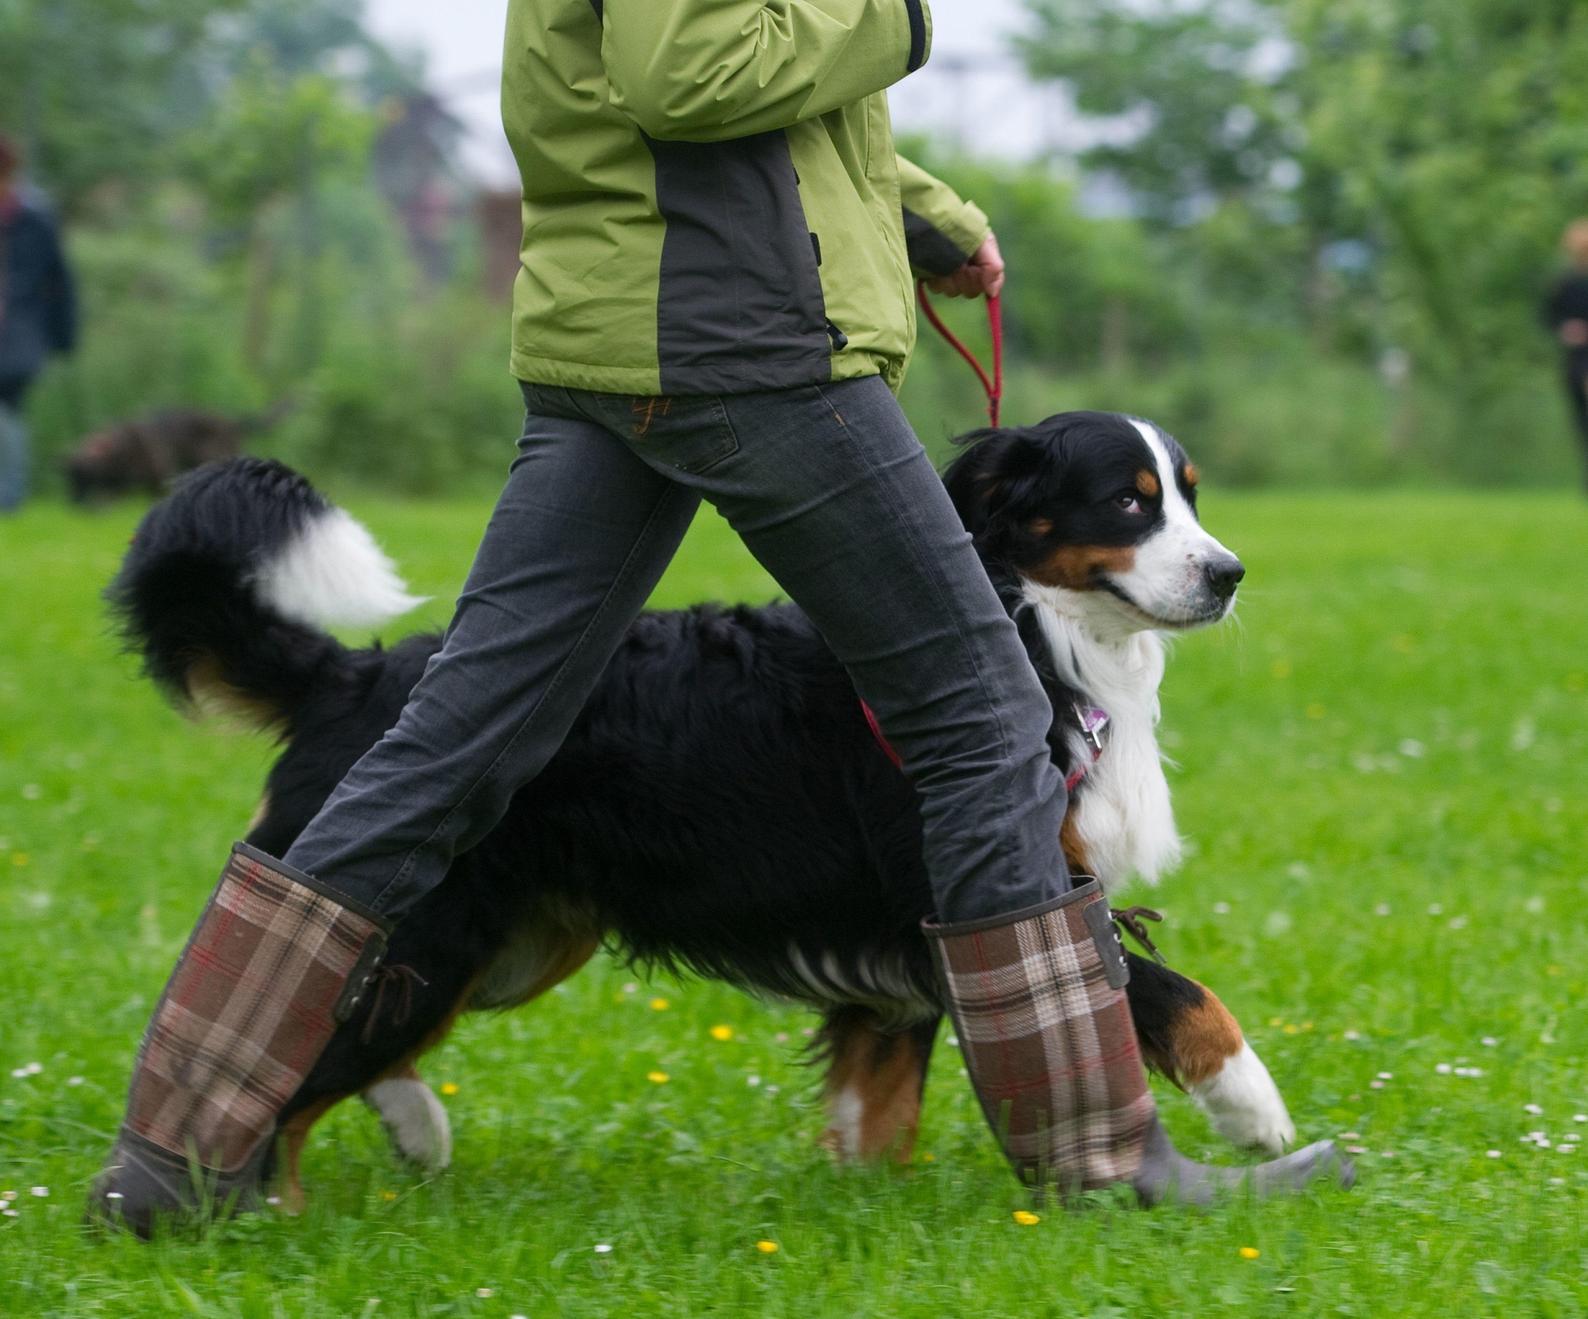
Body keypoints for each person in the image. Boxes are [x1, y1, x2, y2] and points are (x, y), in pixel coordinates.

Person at [91, 1, 1342, 1232]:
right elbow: (688, 68)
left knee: (453, 734)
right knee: (982, 715)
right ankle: (1100, 1153)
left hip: (619, 328)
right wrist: (893, 25)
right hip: (746, 339)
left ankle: (182, 1156)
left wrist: (918, 218)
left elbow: (719, 95)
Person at [0, 133, 77, 513]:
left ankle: (9, 497)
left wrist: (64, 336)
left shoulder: (34, 220)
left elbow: (60, 282)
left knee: (7, 408)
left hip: (20, 335)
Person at [1542, 219, 1588, 486]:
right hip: (1575, 360)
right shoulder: (1564, 284)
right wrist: (1565, 329)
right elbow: (1548, 316)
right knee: (1581, 422)